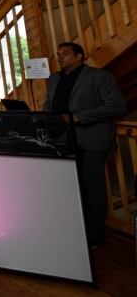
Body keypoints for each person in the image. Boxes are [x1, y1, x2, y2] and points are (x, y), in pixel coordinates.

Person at [43, 42, 126, 247]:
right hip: (62, 139)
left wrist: (79, 117)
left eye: (65, 54)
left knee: (93, 189)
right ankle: (74, 230)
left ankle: (95, 235)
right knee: (68, 187)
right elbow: (49, 104)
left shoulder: (100, 76)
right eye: (58, 54)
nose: (60, 57)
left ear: (79, 56)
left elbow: (117, 105)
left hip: (91, 139)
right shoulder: (54, 78)